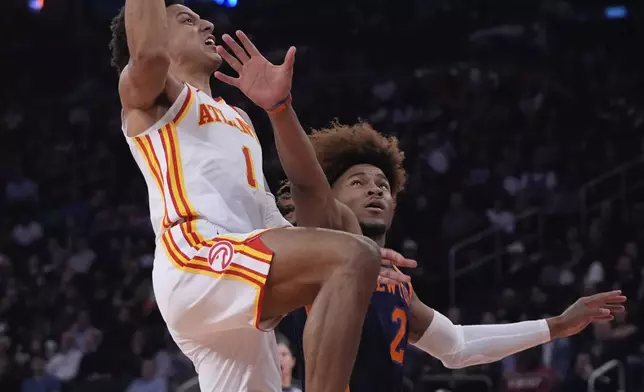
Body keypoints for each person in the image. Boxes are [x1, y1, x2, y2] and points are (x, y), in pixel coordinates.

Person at [211, 35, 628, 389]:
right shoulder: (328, 234)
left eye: (382, 184)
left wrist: (556, 325)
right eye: (357, 181)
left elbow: (458, 348)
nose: (375, 188)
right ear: (333, 198)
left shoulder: (397, 288)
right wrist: (280, 110)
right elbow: (305, 180)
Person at [108, 1, 413, 391]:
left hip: (237, 272)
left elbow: (281, 217)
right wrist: (349, 255)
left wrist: (339, 247)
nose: (207, 23)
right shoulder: (148, 99)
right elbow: (149, 55)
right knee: (351, 256)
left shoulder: (238, 118)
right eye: (187, 19)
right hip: (196, 257)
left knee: (351, 251)